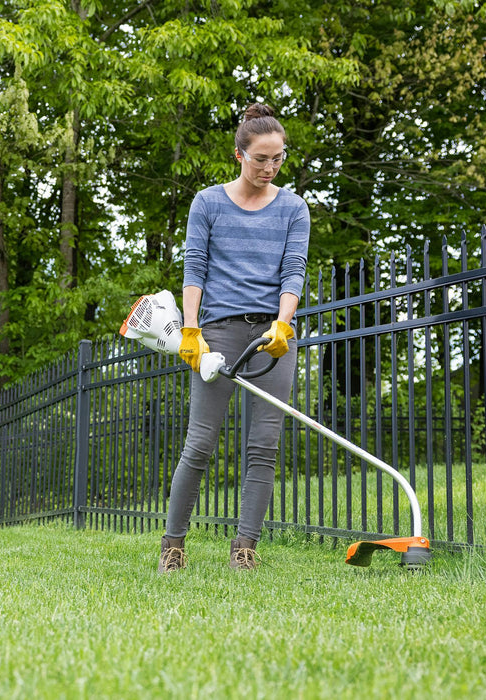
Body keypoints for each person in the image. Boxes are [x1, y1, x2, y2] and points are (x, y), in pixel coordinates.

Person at [158, 103, 311, 572]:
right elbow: (194, 267)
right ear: (239, 154)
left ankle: (244, 550)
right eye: (261, 158)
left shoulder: (293, 208)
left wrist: (283, 323)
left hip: (271, 335)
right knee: (199, 444)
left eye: (278, 159)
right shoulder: (207, 202)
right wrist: (190, 328)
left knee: (264, 445)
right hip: (218, 331)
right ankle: (173, 548)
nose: (269, 167)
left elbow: (293, 270)